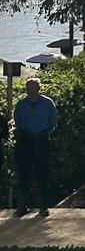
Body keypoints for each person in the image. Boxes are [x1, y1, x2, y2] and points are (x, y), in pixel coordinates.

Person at [13, 78, 57, 217]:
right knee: (23, 175)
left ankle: (43, 207)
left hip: (42, 139)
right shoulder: (21, 105)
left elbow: (53, 122)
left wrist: (43, 135)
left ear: (39, 89)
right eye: (28, 89)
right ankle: (21, 207)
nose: (30, 91)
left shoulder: (48, 103)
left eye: (33, 88)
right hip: (25, 140)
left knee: (42, 175)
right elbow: (18, 122)